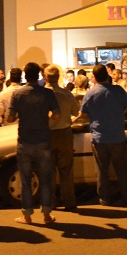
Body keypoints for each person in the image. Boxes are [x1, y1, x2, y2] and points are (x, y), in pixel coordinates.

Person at [7, 62, 60, 225]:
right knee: (46, 178)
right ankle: (46, 215)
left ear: (25, 75)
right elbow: (57, 116)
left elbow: (10, 117)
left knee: (25, 179)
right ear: (39, 75)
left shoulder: (17, 94)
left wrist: (22, 114)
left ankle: (27, 215)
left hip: (25, 140)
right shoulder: (47, 93)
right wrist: (46, 115)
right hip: (43, 139)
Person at [79, 64, 127, 209]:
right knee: (122, 171)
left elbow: (82, 114)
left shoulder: (90, 93)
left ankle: (105, 199)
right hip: (117, 137)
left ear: (95, 77)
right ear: (107, 75)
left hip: (99, 138)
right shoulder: (118, 90)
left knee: (102, 171)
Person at [45, 65, 80, 212]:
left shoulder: (40, 95)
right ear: (58, 77)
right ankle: (69, 201)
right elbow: (76, 111)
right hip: (64, 133)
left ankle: (50, 202)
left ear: (45, 77)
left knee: (48, 170)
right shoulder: (66, 94)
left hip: (46, 135)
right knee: (66, 170)